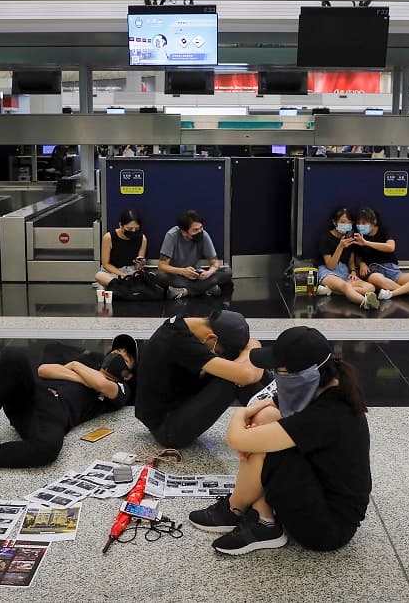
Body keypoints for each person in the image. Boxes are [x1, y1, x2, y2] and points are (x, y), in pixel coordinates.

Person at [188, 326, 370, 556]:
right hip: (321, 489)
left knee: (267, 449)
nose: (274, 373)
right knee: (265, 422)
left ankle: (247, 515)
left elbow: (236, 438)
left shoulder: (326, 415)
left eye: (278, 370)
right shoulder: (328, 384)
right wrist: (254, 424)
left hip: (327, 528)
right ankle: (256, 510)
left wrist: (240, 416)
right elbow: (273, 406)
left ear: (302, 376)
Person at [0, 335, 138, 471]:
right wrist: (82, 371)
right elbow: (44, 370)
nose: (118, 354)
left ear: (127, 374)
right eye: (117, 350)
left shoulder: (123, 388)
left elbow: (105, 387)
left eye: (125, 357)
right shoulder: (88, 363)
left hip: (56, 416)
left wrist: (75, 368)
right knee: (14, 357)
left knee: (48, 450)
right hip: (35, 395)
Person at [135, 310, 266, 449]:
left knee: (244, 365)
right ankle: (274, 425)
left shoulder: (186, 323)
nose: (219, 354)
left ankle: (276, 419)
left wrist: (249, 358)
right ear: (211, 338)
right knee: (234, 380)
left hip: (181, 401)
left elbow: (252, 344)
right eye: (221, 351)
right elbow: (247, 375)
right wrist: (249, 359)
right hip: (168, 429)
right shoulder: (177, 341)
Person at [352, 207, 409, 301]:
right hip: (373, 272)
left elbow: (390, 247)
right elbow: (357, 255)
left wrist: (366, 243)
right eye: (358, 223)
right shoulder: (357, 236)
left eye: (364, 223)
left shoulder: (384, 230)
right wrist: (361, 263)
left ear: (373, 222)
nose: (360, 226)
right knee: (377, 279)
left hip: (392, 271)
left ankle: (392, 293)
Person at [153, 210, 232, 300]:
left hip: (196, 275)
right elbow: (161, 266)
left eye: (201, 228)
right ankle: (206, 288)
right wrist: (183, 271)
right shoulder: (172, 236)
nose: (200, 231)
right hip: (176, 274)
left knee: (227, 271)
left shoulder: (204, 235)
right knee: (159, 276)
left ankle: (185, 291)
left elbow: (215, 262)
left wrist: (208, 273)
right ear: (184, 232)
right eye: (195, 230)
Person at [316, 207, 380, 311]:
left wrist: (353, 272)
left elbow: (351, 259)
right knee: (345, 286)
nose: (346, 225)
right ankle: (365, 302)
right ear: (334, 222)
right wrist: (340, 246)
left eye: (349, 222)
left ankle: (333, 291)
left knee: (371, 287)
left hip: (344, 272)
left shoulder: (350, 237)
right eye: (342, 222)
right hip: (328, 272)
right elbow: (330, 266)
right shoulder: (325, 238)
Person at [95, 209, 148, 288]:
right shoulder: (109, 237)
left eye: (136, 229)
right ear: (121, 225)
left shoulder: (142, 238)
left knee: (144, 278)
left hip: (131, 271)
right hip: (112, 271)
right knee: (99, 275)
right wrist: (123, 275)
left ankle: (120, 288)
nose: (133, 231)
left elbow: (138, 266)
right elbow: (106, 264)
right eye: (129, 229)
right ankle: (123, 287)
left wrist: (141, 264)